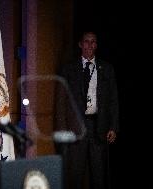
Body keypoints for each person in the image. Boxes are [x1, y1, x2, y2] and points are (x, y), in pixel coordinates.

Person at [59, 31, 119, 189]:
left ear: (96, 45)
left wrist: (113, 126)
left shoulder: (106, 68)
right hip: (76, 128)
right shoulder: (69, 69)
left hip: (98, 126)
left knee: (99, 175)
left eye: (93, 42)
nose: (90, 45)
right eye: (86, 41)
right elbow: (61, 103)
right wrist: (62, 130)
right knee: (75, 174)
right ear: (80, 44)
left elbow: (113, 100)